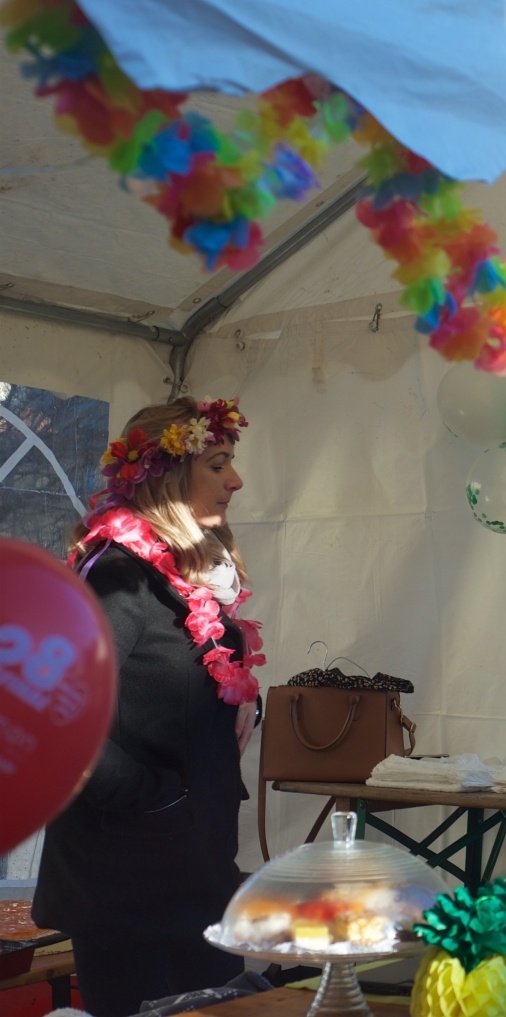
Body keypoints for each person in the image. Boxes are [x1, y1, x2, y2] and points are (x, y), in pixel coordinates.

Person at [34, 397, 267, 1017]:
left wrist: (240, 705)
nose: (236, 480)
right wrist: (154, 797)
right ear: (167, 476)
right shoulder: (118, 576)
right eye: (217, 464)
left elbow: (172, 683)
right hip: (128, 886)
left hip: (192, 875)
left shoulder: (183, 573)